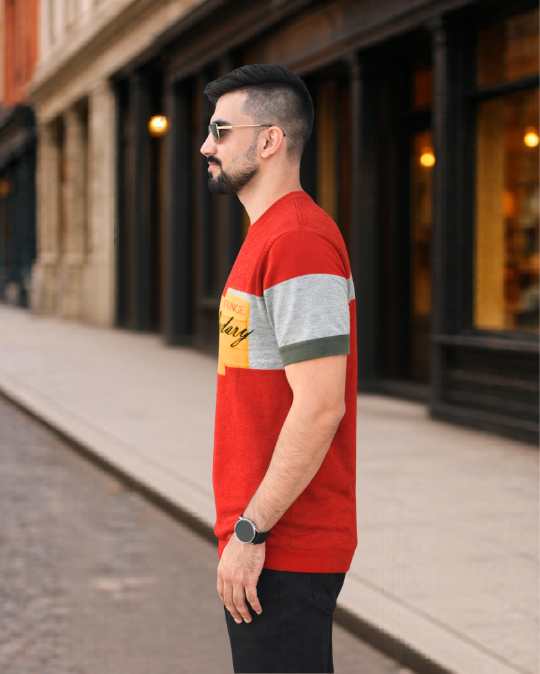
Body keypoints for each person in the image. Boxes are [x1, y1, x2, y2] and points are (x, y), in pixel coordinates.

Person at [200, 63, 358, 674]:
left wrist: (251, 531)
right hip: (266, 536)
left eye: (220, 130)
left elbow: (320, 406)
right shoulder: (267, 236)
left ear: (269, 140)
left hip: (284, 543)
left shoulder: (297, 241)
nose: (206, 146)